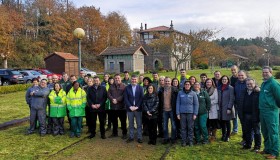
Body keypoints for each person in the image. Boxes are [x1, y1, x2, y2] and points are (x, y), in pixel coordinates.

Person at [257, 66, 280, 159]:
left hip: (271, 112)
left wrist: (273, 107)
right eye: (263, 72)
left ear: (271, 72)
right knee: (264, 131)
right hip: (262, 111)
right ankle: (267, 149)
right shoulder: (264, 83)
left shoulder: (274, 84)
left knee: (273, 132)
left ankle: (274, 152)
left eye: (266, 72)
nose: (264, 74)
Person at [176, 80, 199, 147]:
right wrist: (178, 113)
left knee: (190, 128)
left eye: (188, 84)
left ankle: (190, 141)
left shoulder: (193, 93)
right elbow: (178, 103)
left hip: (190, 113)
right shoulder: (180, 93)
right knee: (183, 128)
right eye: (186, 84)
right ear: (184, 85)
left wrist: (195, 114)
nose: (187, 85)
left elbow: (196, 104)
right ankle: (184, 141)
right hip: (182, 113)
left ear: (190, 85)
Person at [241, 78, 261, 152]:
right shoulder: (244, 92)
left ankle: (257, 146)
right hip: (246, 114)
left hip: (255, 115)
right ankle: (248, 145)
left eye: (251, 84)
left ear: (254, 84)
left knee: (257, 131)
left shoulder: (258, 92)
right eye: (248, 84)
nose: (249, 85)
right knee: (247, 131)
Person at [158, 77, 178, 144]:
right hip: (164, 110)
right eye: (166, 81)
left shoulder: (175, 90)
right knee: (164, 126)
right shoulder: (161, 90)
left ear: (171, 82)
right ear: (164, 82)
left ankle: (173, 138)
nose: (167, 83)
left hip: (172, 110)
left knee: (174, 126)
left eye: (168, 81)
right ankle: (166, 138)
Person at [124, 75, 144, 143]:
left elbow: (141, 98)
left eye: (135, 79)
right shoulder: (127, 88)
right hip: (130, 109)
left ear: (137, 80)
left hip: (138, 109)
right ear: (131, 80)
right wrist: (130, 107)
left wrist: (137, 106)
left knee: (139, 124)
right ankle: (131, 137)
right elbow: (126, 98)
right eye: (132, 79)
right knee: (131, 124)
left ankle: (139, 137)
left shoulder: (140, 88)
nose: (134, 81)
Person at [107, 74, 127, 139]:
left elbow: (124, 95)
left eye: (118, 78)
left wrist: (117, 100)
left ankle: (124, 133)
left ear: (120, 79)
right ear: (114, 79)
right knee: (114, 121)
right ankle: (114, 133)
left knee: (123, 122)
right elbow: (108, 94)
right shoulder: (111, 86)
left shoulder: (124, 86)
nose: (117, 79)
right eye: (116, 78)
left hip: (122, 107)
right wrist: (112, 99)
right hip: (113, 107)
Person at [218, 75, 235, 142]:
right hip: (220, 107)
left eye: (225, 79)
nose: (224, 80)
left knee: (227, 122)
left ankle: (228, 136)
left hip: (227, 107)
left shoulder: (230, 88)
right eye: (223, 79)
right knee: (222, 122)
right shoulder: (219, 88)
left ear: (228, 80)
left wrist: (229, 108)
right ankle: (223, 134)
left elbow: (232, 98)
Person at [233, 70, 247, 144]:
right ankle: (244, 139)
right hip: (239, 106)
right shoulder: (237, 83)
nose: (241, 77)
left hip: (247, 107)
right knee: (243, 124)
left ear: (245, 75)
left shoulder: (248, 82)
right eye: (239, 75)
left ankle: (249, 140)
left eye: (242, 75)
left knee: (248, 124)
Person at [230, 65, 239, 136]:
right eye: (232, 70)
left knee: (242, 116)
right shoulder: (231, 78)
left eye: (234, 70)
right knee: (234, 115)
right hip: (234, 99)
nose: (233, 71)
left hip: (241, 100)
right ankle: (235, 129)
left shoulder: (241, 77)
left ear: (237, 69)